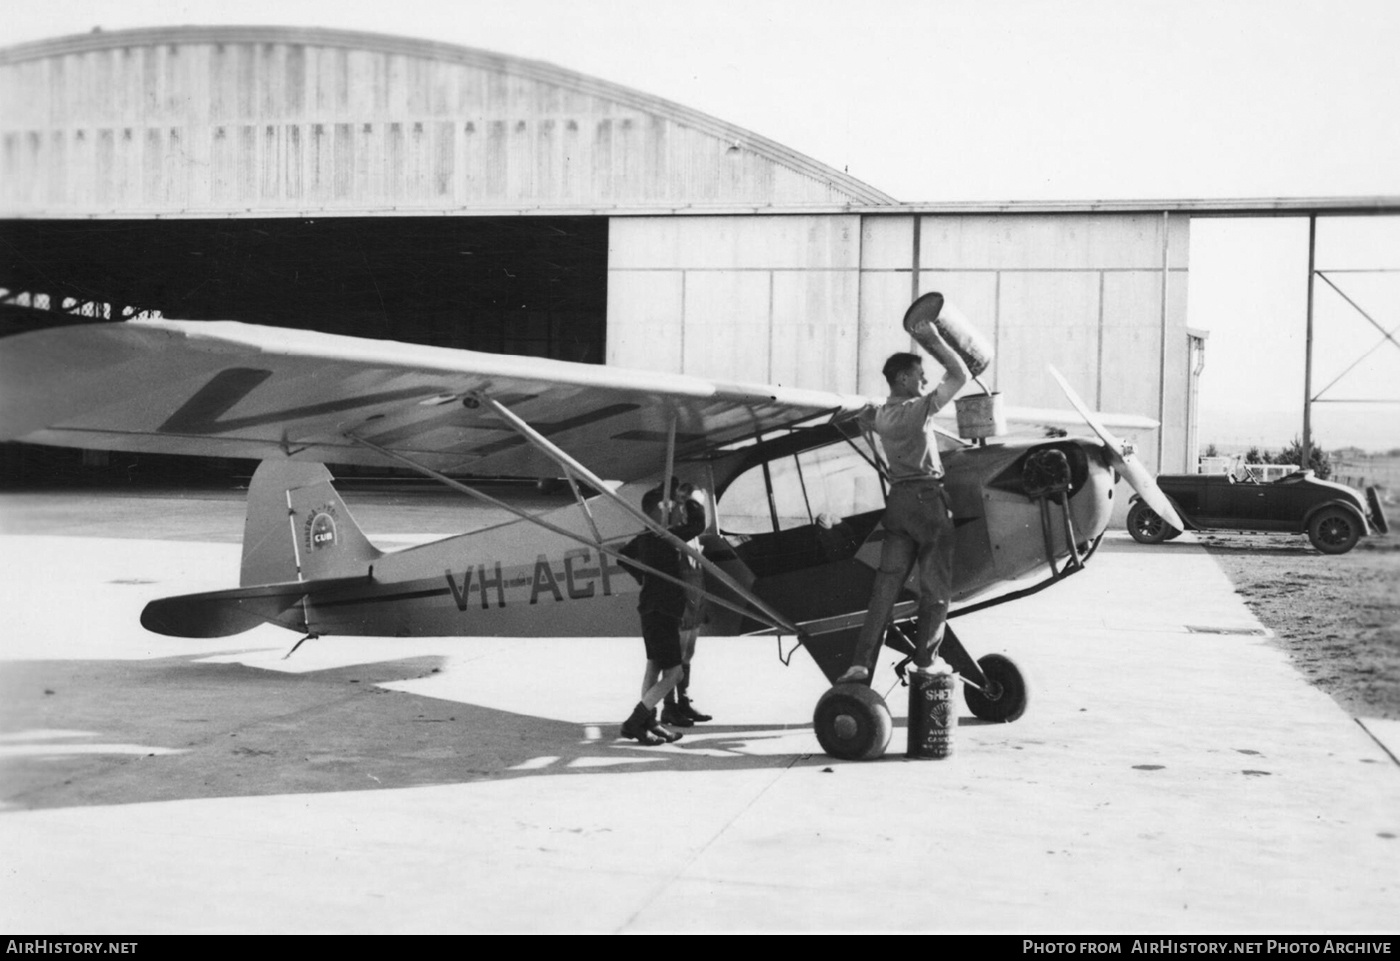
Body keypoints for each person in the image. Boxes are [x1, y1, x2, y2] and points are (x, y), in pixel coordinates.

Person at [837, 326, 968, 684]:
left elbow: (864, 416)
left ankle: (860, 664)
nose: (925, 380)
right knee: (937, 587)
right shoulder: (917, 409)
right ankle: (927, 660)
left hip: (898, 504)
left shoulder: (881, 416)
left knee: (885, 590)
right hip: (928, 502)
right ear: (903, 378)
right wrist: (935, 340)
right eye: (920, 375)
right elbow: (961, 374)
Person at [617, 481, 708, 745]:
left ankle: (649, 723)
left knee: (654, 667)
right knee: (674, 674)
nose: (674, 513)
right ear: (659, 512)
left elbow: (622, 557)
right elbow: (698, 524)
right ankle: (634, 723)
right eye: (669, 508)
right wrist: (688, 499)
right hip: (663, 612)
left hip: (650, 610)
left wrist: (645, 579)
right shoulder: (664, 536)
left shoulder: (646, 537)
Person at [661, 509, 711, 727]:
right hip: (682, 603)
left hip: (695, 600)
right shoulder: (672, 537)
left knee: (688, 654)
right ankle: (669, 707)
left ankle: (683, 701)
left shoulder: (696, 540)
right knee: (676, 657)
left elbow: (699, 572)